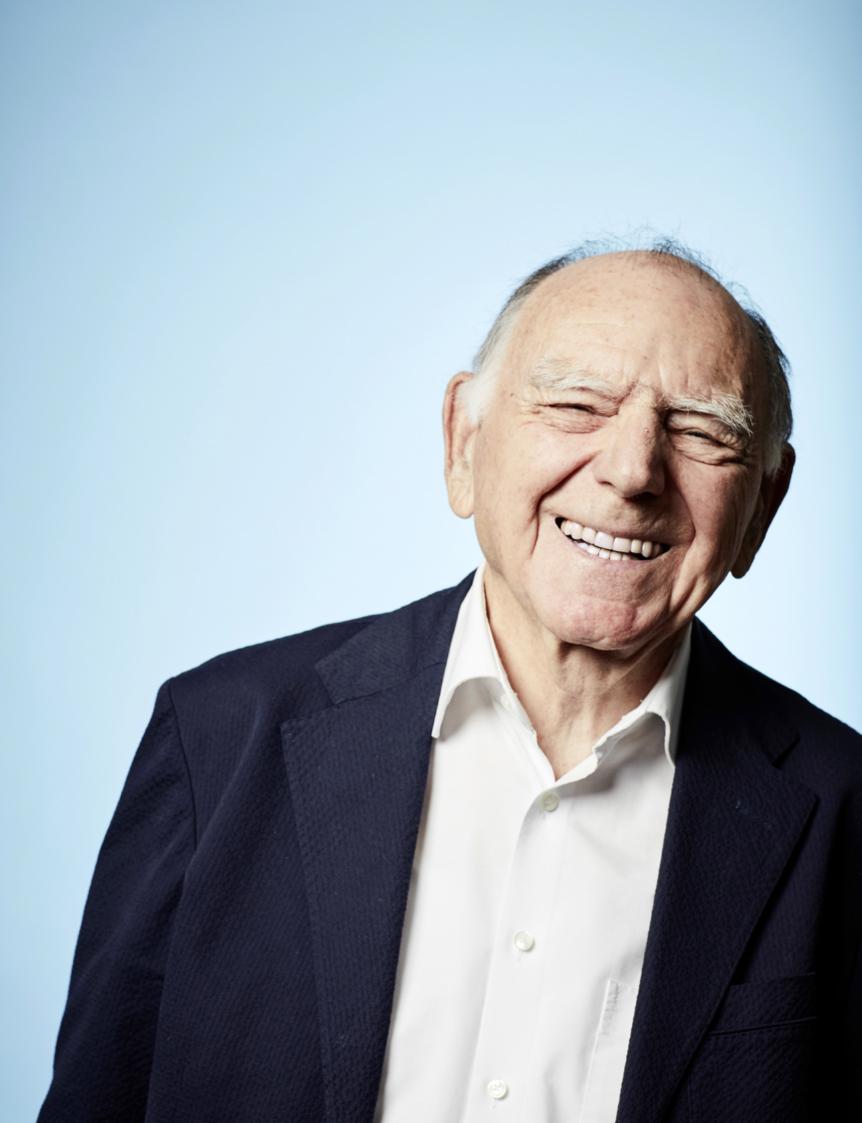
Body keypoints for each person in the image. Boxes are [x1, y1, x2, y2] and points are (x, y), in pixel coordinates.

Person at [38, 241, 861, 1123]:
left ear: (762, 505)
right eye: (576, 404)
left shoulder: (843, 806)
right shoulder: (218, 740)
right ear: (463, 442)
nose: (632, 471)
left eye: (702, 431)